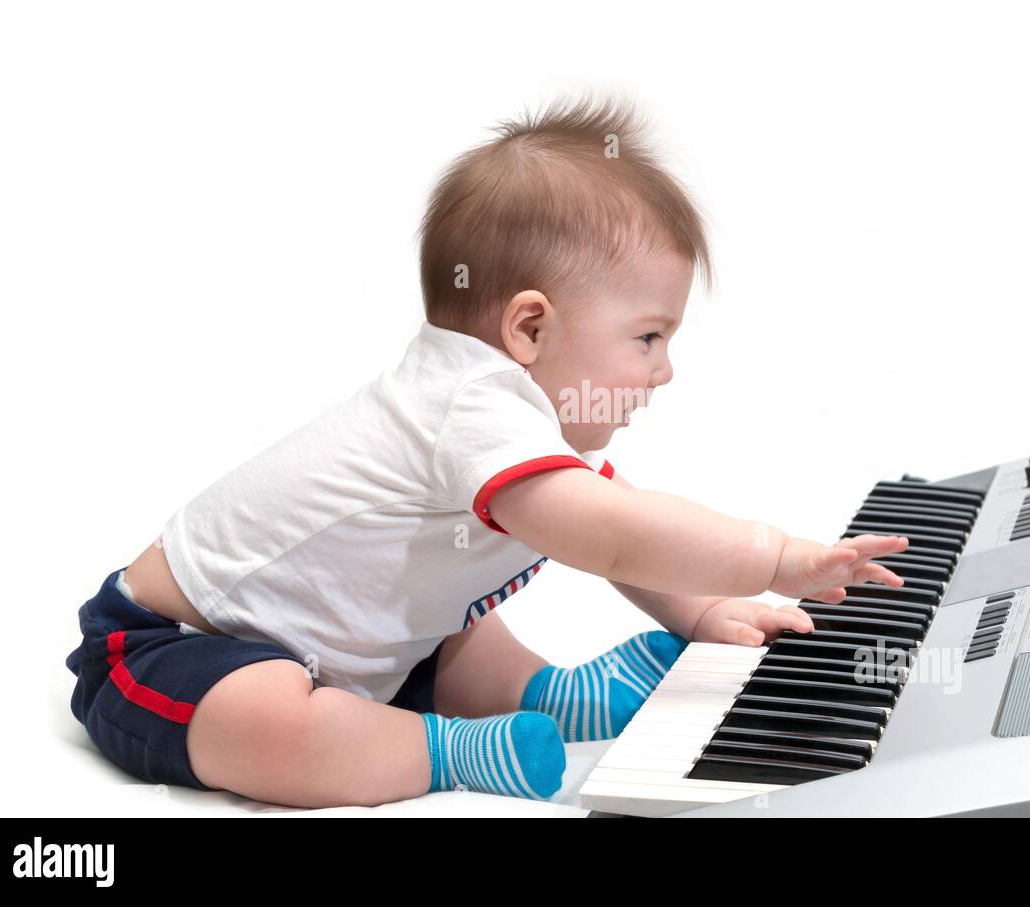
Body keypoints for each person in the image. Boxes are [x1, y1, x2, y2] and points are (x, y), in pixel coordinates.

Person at [64, 94, 908, 808]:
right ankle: (450, 754)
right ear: (530, 326)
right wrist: (774, 556)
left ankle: (545, 693)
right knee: (271, 717)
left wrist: (701, 612)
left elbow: (621, 544)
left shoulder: (506, 419)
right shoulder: (466, 406)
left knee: (457, 632)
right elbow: (613, 533)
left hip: (350, 657)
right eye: (648, 337)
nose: (664, 370)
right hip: (165, 645)